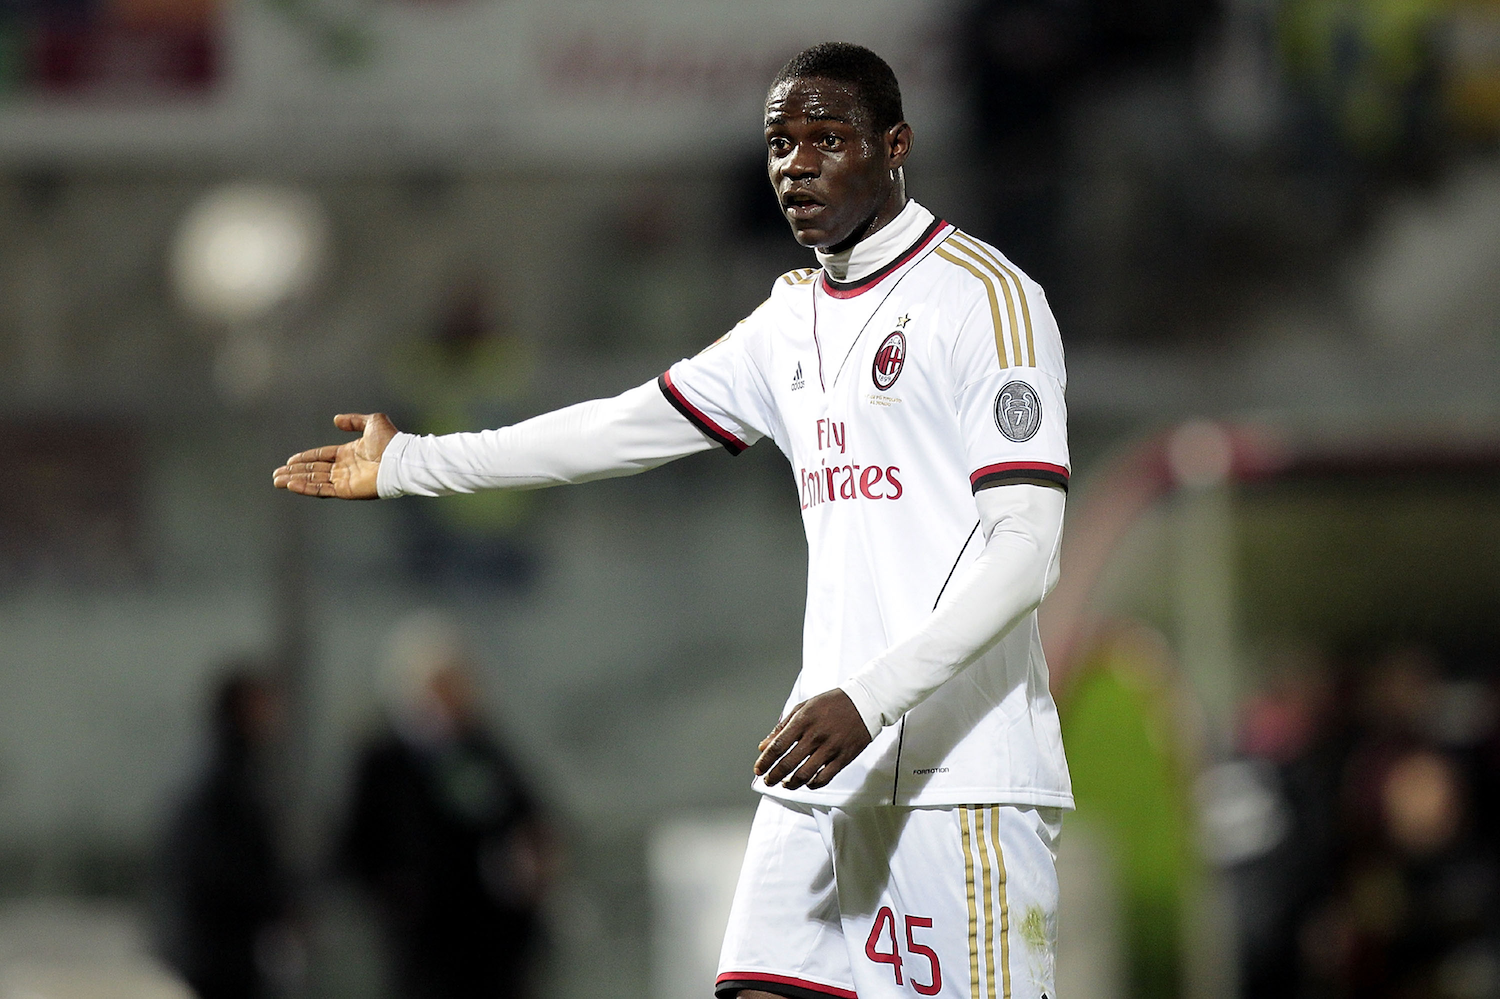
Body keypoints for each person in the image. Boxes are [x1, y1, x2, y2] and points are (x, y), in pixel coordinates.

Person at [276, 42, 1072, 999]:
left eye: (829, 138)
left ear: (895, 145)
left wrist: (871, 697)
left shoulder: (985, 301)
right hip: (825, 764)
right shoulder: (788, 322)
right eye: (781, 142)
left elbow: (1025, 552)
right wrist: (411, 462)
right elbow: (620, 426)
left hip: (961, 775)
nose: (797, 164)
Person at [339, 612, 553, 999]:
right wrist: (396, 892)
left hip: (491, 937)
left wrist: (528, 864)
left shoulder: (484, 750)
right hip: (423, 942)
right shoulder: (382, 760)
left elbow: (529, 818)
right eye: (436, 688)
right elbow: (350, 847)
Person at [155, 666, 297, 999]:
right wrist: (276, 901)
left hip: (220, 943)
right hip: (218, 947)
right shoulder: (224, 776)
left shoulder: (229, 767)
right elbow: (222, 861)